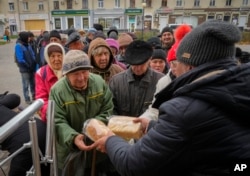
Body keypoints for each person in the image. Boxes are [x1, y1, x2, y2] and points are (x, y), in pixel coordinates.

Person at [93, 20, 250, 176]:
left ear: (190, 66)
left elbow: (133, 164)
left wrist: (110, 141)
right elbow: (195, 134)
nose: (174, 69)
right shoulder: (240, 88)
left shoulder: (184, 110)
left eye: (178, 62)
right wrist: (153, 127)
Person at [49, 50, 119, 175]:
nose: (81, 78)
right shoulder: (57, 91)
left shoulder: (99, 83)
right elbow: (57, 120)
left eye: (84, 72)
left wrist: (92, 127)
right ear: (66, 74)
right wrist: (73, 137)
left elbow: (108, 109)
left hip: (97, 148)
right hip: (70, 151)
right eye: (76, 74)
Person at [140, 24, 192, 120]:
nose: (173, 68)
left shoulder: (196, 82)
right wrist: (142, 120)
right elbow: (155, 110)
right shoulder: (164, 82)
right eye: (172, 64)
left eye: (176, 64)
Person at [109, 40, 164, 117]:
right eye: (134, 65)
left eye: (142, 64)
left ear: (149, 60)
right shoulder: (116, 81)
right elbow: (111, 109)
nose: (138, 69)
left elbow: (164, 111)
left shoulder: (161, 81)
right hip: (122, 127)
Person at [0, 92, 50, 176]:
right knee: (44, 168)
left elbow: (15, 98)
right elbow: (14, 98)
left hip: (25, 140)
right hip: (40, 129)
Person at [35, 42, 65, 122]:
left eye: (59, 56)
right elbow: (41, 99)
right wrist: (51, 112)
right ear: (47, 58)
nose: (56, 59)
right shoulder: (41, 73)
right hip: (51, 115)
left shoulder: (69, 71)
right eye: (52, 56)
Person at [14, 31, 37, 104]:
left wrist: (34, 62)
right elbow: (20, 59)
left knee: (33, 83)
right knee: (26, 84)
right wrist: (27, 65)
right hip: (25, 69)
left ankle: (34, 95)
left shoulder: (28, 44)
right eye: (28, 37)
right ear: (24, 37)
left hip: (31, 67)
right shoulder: (18, 46)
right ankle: (27, 98)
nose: (29, 38)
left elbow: (32, 54)